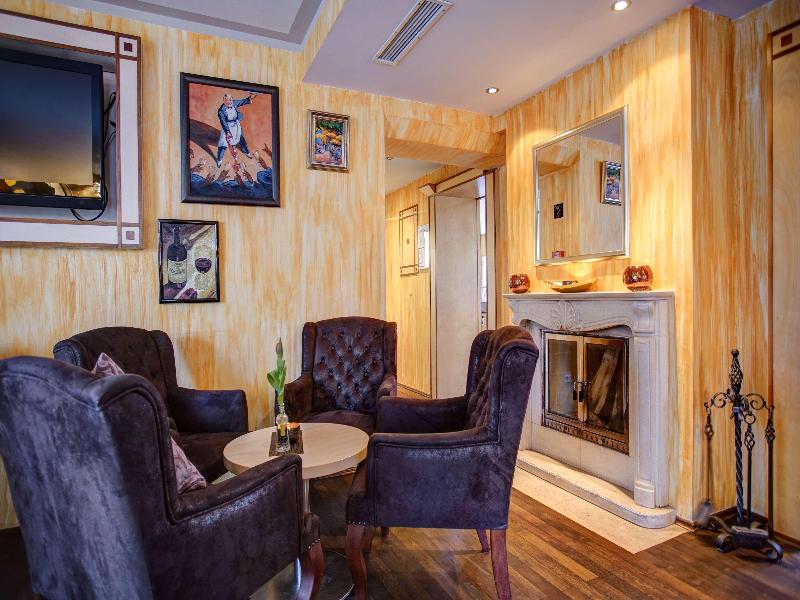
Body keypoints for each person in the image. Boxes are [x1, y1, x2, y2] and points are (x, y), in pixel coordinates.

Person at [216, 92, 257, 167]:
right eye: (227, 100)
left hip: (236, 125)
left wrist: (250, 98)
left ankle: (247, 152)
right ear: (224, 101)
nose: (230, 102)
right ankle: (219, 160)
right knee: (223, 144)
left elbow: (242, 101)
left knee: (242, 139)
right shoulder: (221, 111)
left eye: (231, 100)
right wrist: (227, 132)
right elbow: (223, 122)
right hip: (227, 127)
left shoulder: (233, 103)